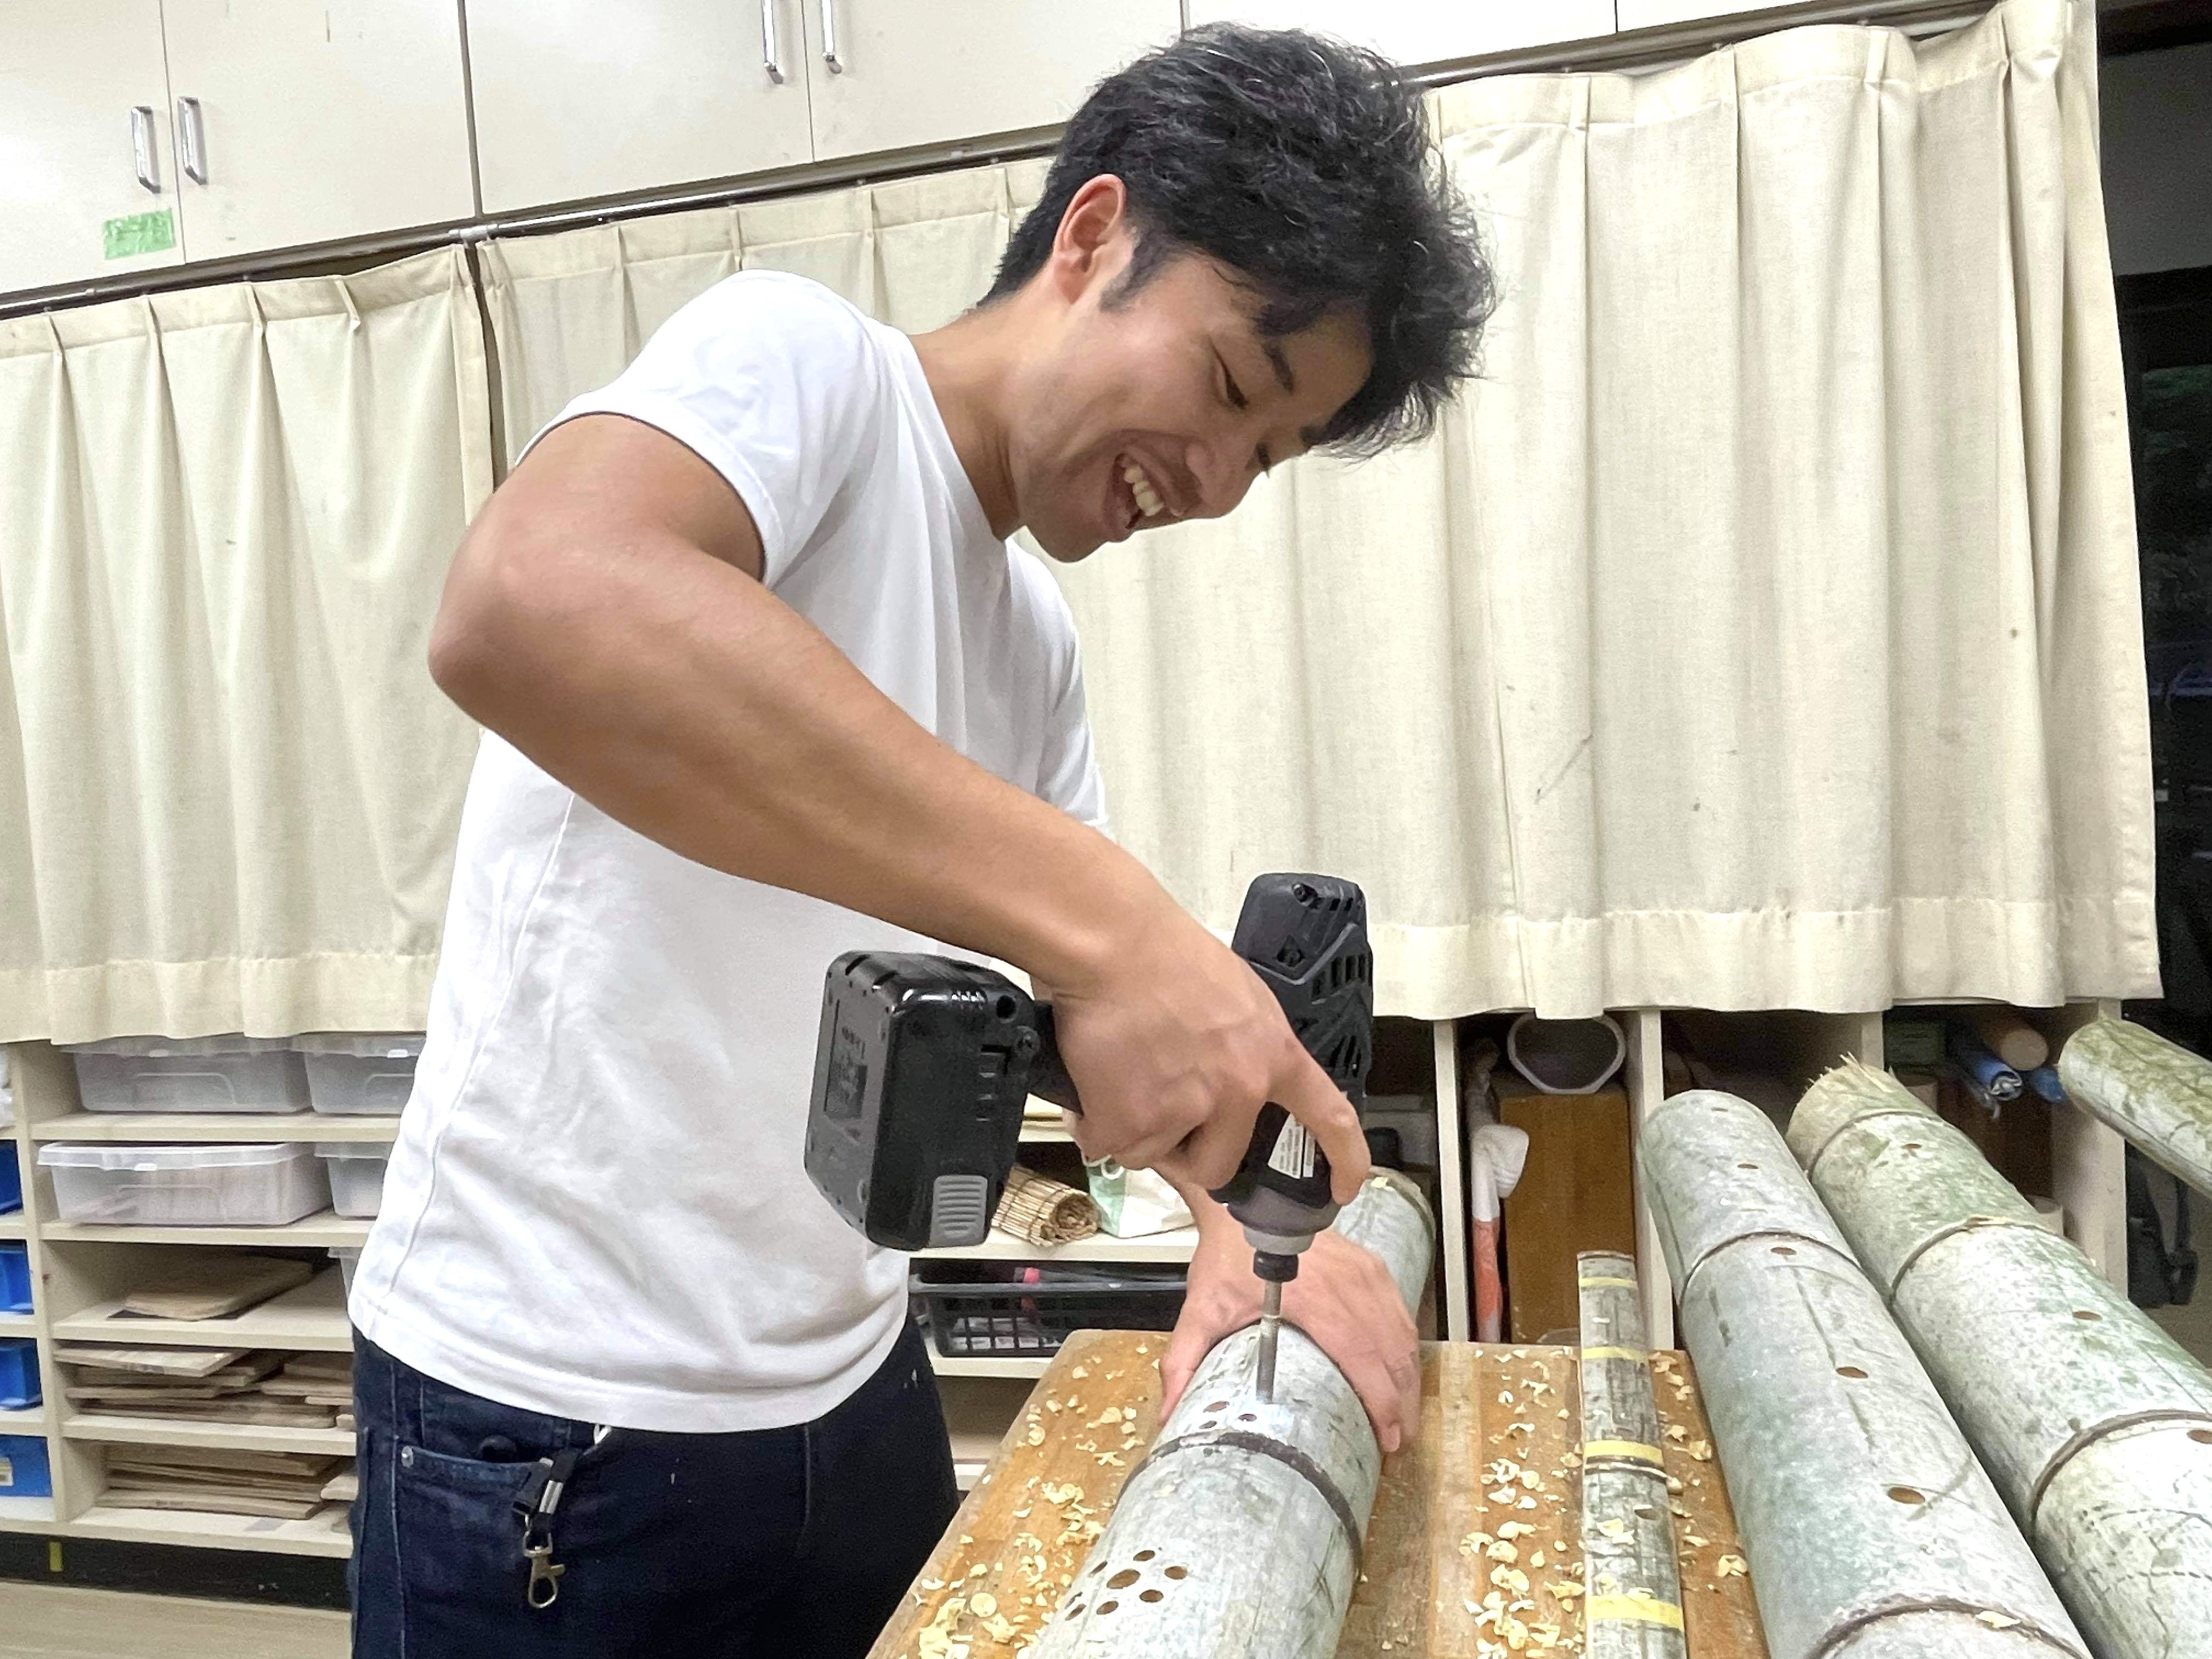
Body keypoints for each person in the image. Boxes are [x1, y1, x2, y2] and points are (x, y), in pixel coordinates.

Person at [347, 23, 1492, 1657]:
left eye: (1268, 455)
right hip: (548, 1420)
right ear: (1092, 234)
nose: (1220, 484)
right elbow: (531, 604)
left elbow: (1079, 1010)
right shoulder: (806, 365)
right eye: (1233, 389)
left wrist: (1246, 1228)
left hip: (853, 1381)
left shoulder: (1029, 638)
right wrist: (1109, 913)